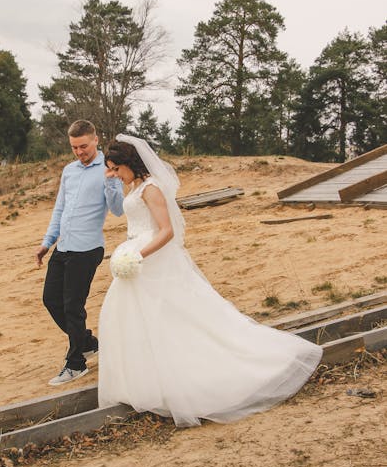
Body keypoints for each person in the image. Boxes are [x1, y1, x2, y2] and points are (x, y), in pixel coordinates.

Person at [98, 134, 323, 427]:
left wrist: (138, 255)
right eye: (111, 169)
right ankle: (148, 383)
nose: (114, 174)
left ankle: (191, 378)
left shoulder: (151, 188)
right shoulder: (135, 187)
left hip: (151, 259)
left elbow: (165, 232)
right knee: (137, 319)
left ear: (129, 163)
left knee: (174, 318)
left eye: (116, 168)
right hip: (135, 257)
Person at [36, 120, 124, 385]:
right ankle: (87, 343)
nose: (79, 152)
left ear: (96, 140)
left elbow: (118, 209)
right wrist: (47, 241)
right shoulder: (69, 171)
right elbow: (59, 209)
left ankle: (76, 363)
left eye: (83, 146)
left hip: (87, 249)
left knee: (73, 306)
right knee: (51, 300)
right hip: (63, 247)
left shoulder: (108, 170)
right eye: (74, 147)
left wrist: (110, 182)